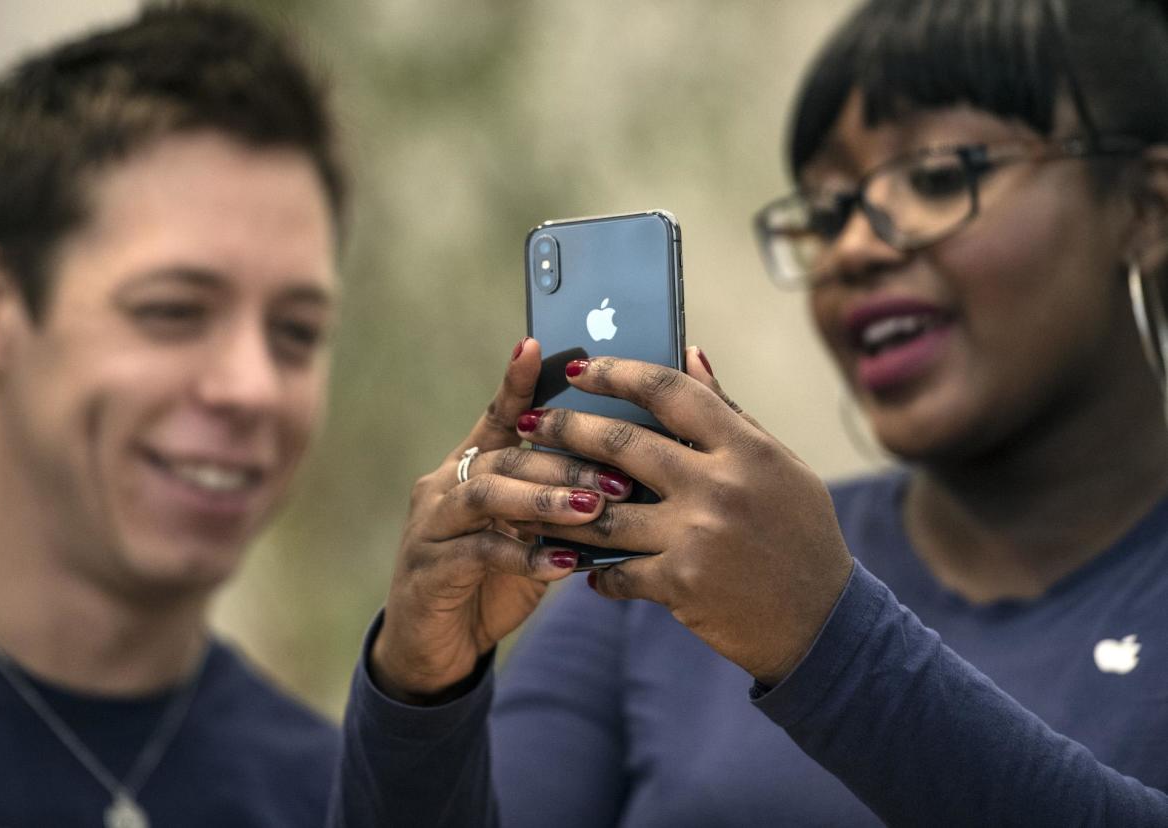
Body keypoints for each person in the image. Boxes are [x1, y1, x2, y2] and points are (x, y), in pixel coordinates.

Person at [347, 0, 1168, 823]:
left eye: (937, 178)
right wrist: (421, 695)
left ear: (1146, 208)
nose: (852, 248)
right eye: (824, 211)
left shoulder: (761, 572)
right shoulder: (665, 582)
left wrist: (828, 638)